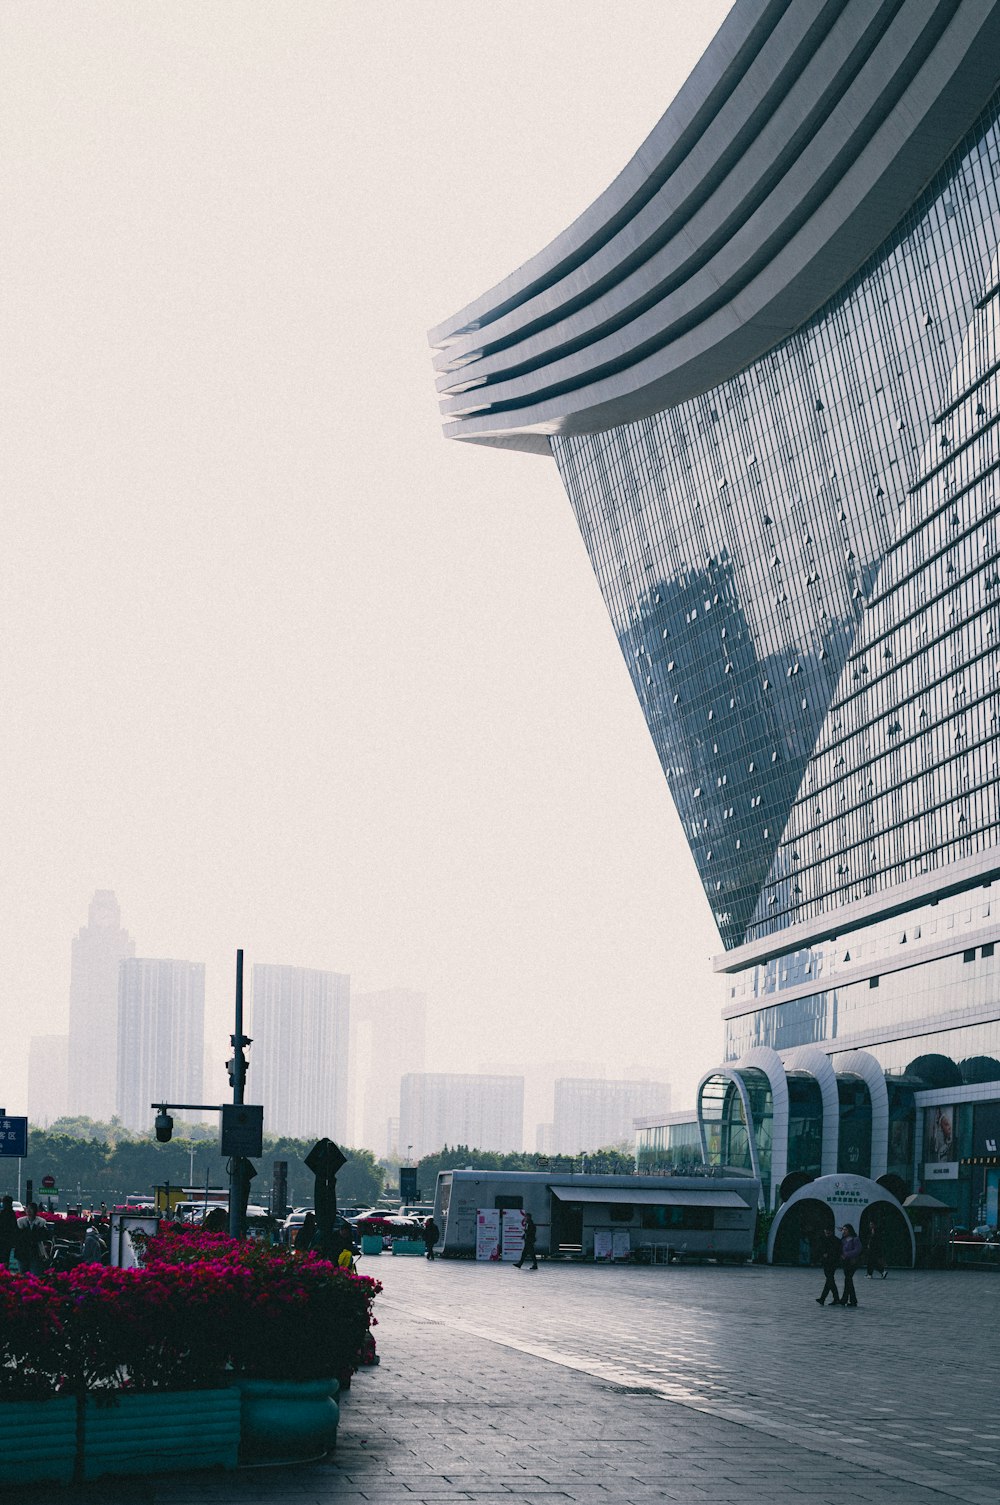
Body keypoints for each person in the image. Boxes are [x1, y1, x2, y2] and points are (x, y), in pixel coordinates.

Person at [13, 1202, 51, 1275]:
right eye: (28, 1209)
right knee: (23, 1275)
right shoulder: (20, 1222)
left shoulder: (41, 1223)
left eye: (31, 1209)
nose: (29, 1211)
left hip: (36, 1253)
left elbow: (43, 1237)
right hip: (22, 1252)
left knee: (35, 1275)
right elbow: (17, 1237)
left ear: (35, 1210)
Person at [815, 1225, 842, 1305]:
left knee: (830, 1279)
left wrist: (827, 1254)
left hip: (832, 1262)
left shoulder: (835, 1240)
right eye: (826, 1231)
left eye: (828, 1231)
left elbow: (836, 1252)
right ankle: (834, 1298)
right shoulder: (826, 1239)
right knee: (830, 1280)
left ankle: (823, 1298)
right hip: (827, 1262)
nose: (827, 1233)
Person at [840, 1223, 862, 1307]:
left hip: (852, 1262)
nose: (844, 1231)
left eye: (846, 1229)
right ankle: (851, 1299)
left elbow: (857, 1250)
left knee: (848, 1279)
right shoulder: (843, 1240)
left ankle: (845, 1299)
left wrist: (846, 1254)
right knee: (848, 1280)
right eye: (843, 1229)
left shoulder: (855, 1239)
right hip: (845, 1262)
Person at [0, 1195, 17, 1270]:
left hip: (3, 1239)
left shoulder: (3, 1213)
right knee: (6, 1257)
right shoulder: (12, 1214)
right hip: (8, 1240)